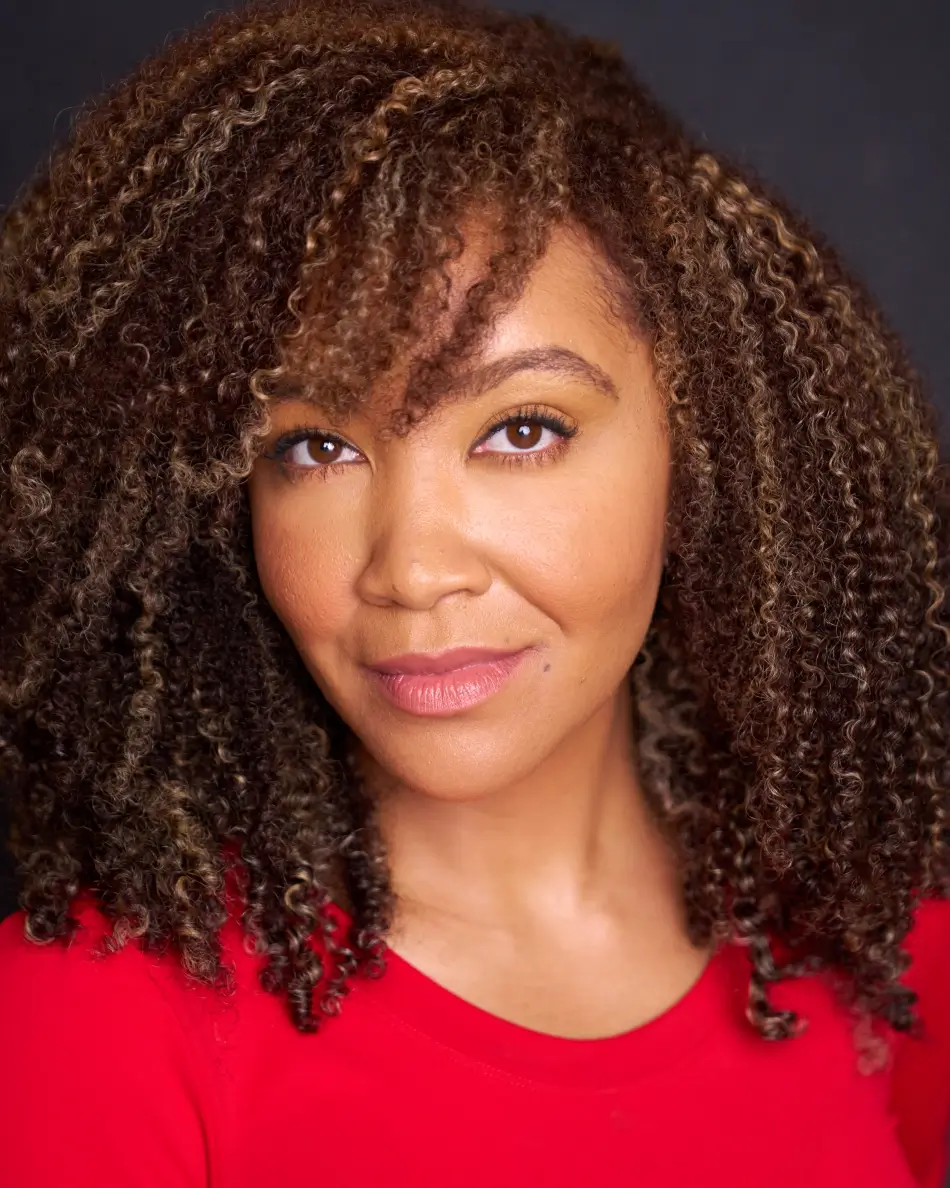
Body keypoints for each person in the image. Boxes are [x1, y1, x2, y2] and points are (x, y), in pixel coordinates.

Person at [0, 0, 948, 1184]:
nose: (409, 568)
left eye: (521, 429)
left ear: (696, 446)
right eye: (313, 448)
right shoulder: (93, 1023)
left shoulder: (873, 948)